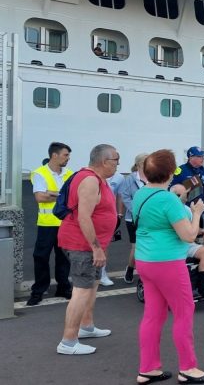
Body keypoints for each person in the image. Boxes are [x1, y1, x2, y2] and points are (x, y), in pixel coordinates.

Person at [134, 149, 204, 384]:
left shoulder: (143, 194)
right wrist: (197, 213)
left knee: (153, 315)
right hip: (168, 262)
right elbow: (189, 235)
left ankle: (148, 368)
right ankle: (188, 368)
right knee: (183, 313)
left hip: (146, 260)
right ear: (170, 172)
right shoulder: (168, 199)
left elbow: (160, 216)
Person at [56, 144, 119, 355]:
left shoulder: (95, 179)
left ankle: (86, 327)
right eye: (116, 160)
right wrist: (96, 248)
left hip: (89, 245)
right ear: (104, 161)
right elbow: (84, 216)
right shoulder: (90, 180)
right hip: (82, 245)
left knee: (91, 286)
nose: (118, 164)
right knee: (82, 291)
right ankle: (68, 342)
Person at [27, 142, 74, 306]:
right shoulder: (39, 173)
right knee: (41, 257)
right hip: (47, 223)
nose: (68, 158)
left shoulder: (70, 174)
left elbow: (74, 196)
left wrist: (52, 193)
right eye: (65, 155)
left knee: (64, 258)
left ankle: (64, 287)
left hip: (65, 223)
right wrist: (62, 195)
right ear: (55, 155)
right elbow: (40, 197)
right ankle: (38, 290)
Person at [118, 153, 149, 283]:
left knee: (148, 246)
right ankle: (130, 268)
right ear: (139, 164)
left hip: (150, 218)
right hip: (133, 219)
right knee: (136, 246)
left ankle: (146, 272)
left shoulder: (153, 177)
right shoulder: (130, 179)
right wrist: (137, 211)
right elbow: (124, 196)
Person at [170, 147, 204, 226]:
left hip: (199, 212)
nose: (202, 158)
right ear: (191, 157)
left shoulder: (203, 171)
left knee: (197, 235)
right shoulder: (181, 170)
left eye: (203, 156)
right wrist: (192, 183)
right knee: (186, 236)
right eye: (199, 156)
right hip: (184, 212)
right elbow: (172, 190)